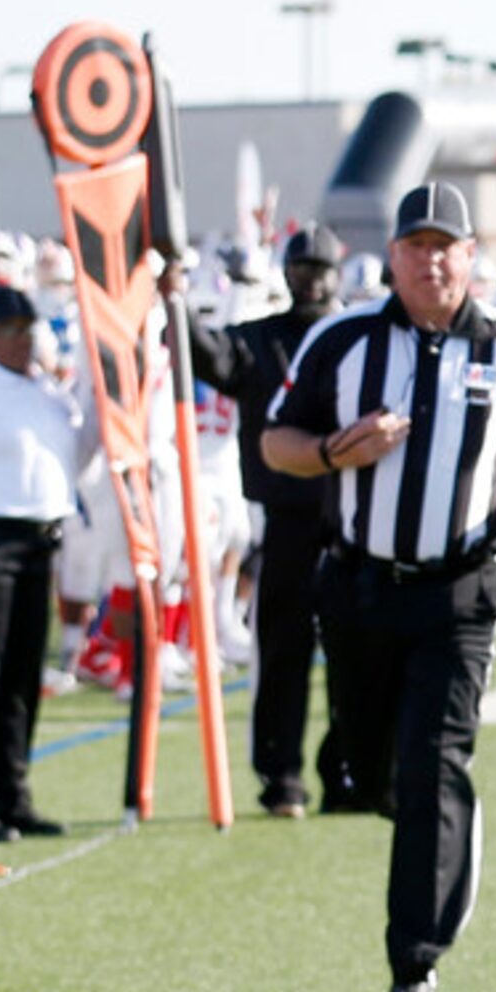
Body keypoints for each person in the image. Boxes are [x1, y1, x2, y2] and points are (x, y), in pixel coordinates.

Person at [266, 182, 496, 992]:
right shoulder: (343, 341)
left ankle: (415, 968)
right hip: (362, 587)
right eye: (417, 244)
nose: (432, 259)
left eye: (447, 244)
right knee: (372, 771)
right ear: (395, 257)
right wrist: (341, 448)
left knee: (434, 765)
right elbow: (278, 441)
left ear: (471, 255)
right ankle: (394, 790)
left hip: (460, 590)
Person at [188, 225, 351, 816]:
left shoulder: (360, 334)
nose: (310, 278)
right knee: (280, 651)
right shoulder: (260, 338)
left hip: (355, 520)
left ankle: (350, 771)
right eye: (300, 267)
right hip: (286, 517)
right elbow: (213, 358)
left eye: (320, 268)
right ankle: (281, 776)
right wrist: (173, 306)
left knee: (355, 650)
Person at [0, 287, 84, 841]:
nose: (22, 339)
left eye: (27, 328)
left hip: (41, 539)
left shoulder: (45, 388)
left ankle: (12, 795)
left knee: (21, 678)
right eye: (9, 330)